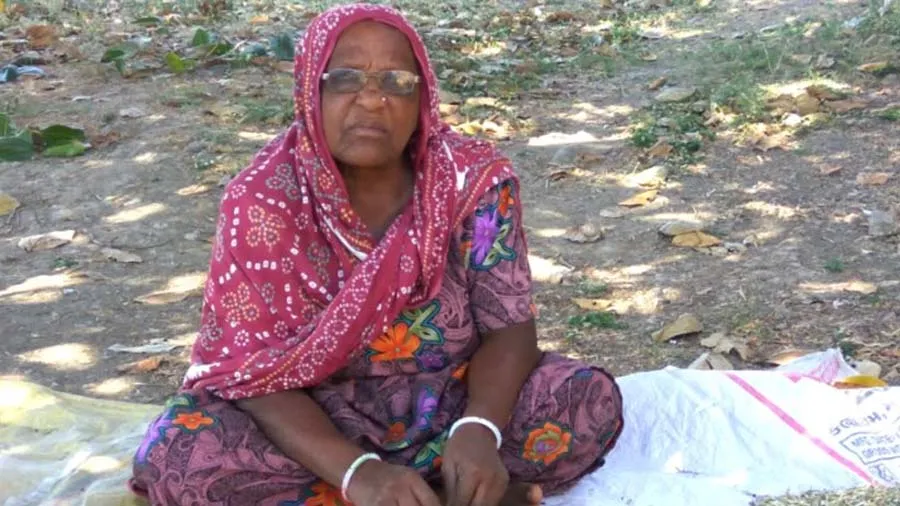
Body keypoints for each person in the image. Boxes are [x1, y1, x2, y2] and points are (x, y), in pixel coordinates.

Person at [129, 4, 623, 506]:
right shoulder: (261, 202)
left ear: (422, 98)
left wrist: (479, 429)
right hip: (316, 421)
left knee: (586, 399)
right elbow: (250, 373)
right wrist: (358, 472)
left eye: (396, 81)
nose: (371, 100)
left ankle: (433, 491)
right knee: (180, 453)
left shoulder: (470, 182)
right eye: (345, 79)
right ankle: (448, 498)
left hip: (452, 404)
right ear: (310, 91)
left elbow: (511, 329)